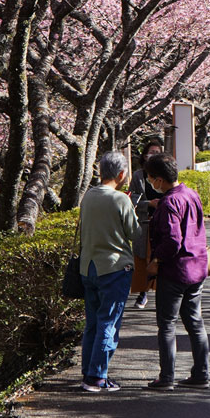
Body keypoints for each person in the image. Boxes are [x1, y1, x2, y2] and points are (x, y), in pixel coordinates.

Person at [140, 154, 210, 389]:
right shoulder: (190, 194)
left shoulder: (170, 202)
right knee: (195, 322)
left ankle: (167, 376)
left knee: (167, 324)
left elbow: (172, 241)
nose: (151, 183)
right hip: (197, 267)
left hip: (175, 271)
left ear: (159, 179)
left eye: (151, 178)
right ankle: (201, 373)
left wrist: (155, 260)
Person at [77, 151, 139, 393]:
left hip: (88, 267)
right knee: (109, 323)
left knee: (92, 323)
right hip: (113, 267)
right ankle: (97, 377)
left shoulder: (88, 196)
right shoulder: (120, 200)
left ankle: (88, 372)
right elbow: (134, 233)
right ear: (122, 174)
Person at [129, 139, 167, 310]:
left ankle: (161, 293)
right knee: (143, 259)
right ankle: (143, 293)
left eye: (157, 152)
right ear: (144, 156)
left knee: (160, 258)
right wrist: (149, 204)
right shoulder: (138, 176)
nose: (153, 156)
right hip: (145, 222)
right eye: (150, 152)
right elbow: (132, 199)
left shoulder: (166, 175)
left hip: (162, 223)